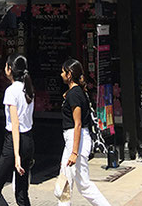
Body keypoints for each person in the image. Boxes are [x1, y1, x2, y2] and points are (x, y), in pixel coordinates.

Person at [59, 59, 111, 206]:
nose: (61, 74)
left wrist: (74, 152)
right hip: (75, 139)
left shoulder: (74, 94)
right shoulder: (75, 92)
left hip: (76, 139)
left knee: (83, 184)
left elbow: (78, 124)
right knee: (66, 178)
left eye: (63, 71)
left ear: (69, 74)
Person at [0, 54, 35, 206]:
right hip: (28, 140)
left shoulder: (11, 91)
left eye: (6, 66)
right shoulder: (28, 90)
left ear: (10, 69)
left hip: (14, 142)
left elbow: (15, 124)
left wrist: (16, 155)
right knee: (21, 192)